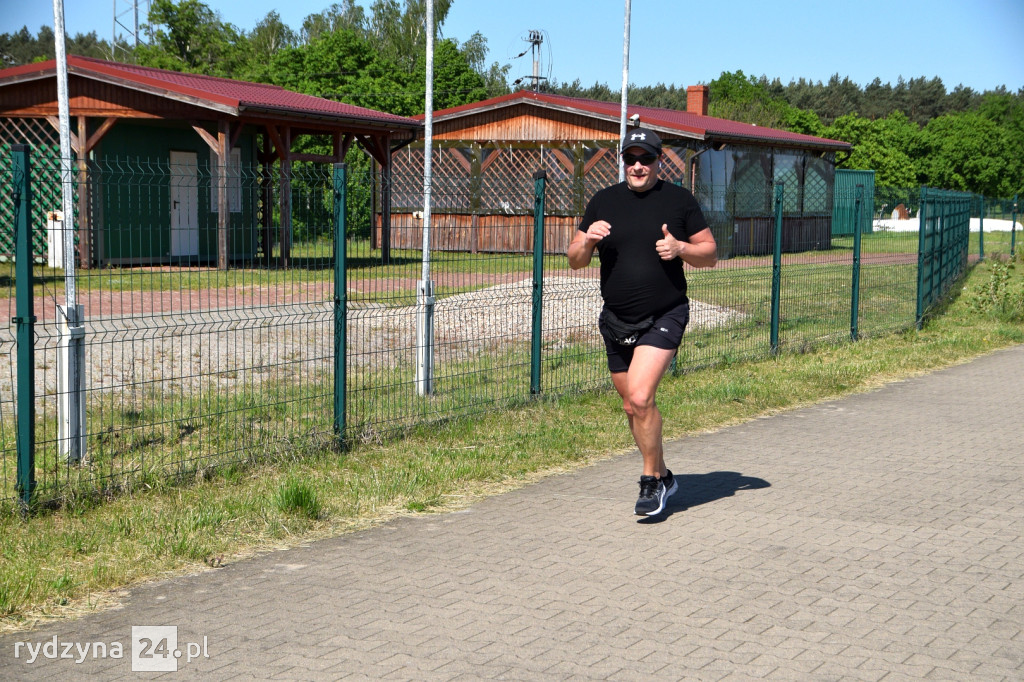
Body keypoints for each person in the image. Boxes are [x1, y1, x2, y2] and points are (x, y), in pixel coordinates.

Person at [568, 128, 718, 516]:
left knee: (640, 396)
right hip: (616, 319)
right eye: (630, 158)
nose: (637, 166)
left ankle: (651, 483)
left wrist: (681, 248)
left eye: (646, 158)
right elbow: (574, 259)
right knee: (632, 407)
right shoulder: (603, 201)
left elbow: (710, 253)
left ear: (658, 160)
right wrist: (587, 241)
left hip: (664, 313)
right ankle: (665, 475)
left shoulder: (679, 200)